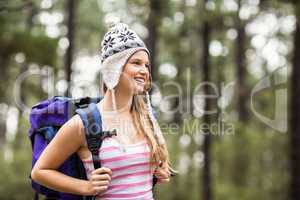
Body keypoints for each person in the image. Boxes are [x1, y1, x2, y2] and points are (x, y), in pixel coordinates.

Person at [31, 23, 173, 200]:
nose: (144, 71)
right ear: (114, 68)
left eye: (146, 65)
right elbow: (40, 171)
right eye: (136, 63)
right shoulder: (85, 122)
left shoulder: (147, 117)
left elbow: (152, 169)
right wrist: (86, 186)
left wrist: (160, 171)